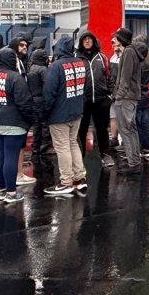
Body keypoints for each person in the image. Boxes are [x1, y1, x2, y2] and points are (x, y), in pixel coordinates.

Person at [0, 47, 36, 204]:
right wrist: (31, 119)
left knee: (0, 155)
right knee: (11, 157)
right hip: (14, 122)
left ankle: (1, 190)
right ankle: (12, 193)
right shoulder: (15, 77)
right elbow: (24, 102)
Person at [42, 36, 91, 197]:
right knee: (73, 144)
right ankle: (79, 177)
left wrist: (44, 113)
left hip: (59, 114)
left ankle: (65, 182)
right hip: (75, 111)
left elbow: (49, 93)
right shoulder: (80, 63)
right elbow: (85, 88)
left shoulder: (56, 66)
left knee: (62, 147)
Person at [76, 31, 113, 166]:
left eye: (89, 39)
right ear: (81, 42)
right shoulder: (76, 58)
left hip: (101, 100)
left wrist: (110, 94)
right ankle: (80, 158)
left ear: (94, 41)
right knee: (81, 130)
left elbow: (110, 76)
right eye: (84, 39)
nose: (87, 41)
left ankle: (105, 154)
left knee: (102, 129)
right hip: (83, 101)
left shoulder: (103, 57)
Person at [113, 28, 148, 170]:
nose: (114, 40)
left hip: (126, 98)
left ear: (121, 39)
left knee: (126, 130)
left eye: (116, 38)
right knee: (132, 129)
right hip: (131, 97)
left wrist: (118, 96)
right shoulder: (133, 51)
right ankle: (134, 161)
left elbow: (125, 77)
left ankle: (133, 162)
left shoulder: (127, 52)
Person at [26, 46, 53, 183]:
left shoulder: (31, 69)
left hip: (33, 99)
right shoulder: (43, 70)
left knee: (37, 123)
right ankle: (45, 146)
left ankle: (35, 146)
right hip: (42, 99)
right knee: (45, 123)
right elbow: (47, 86)